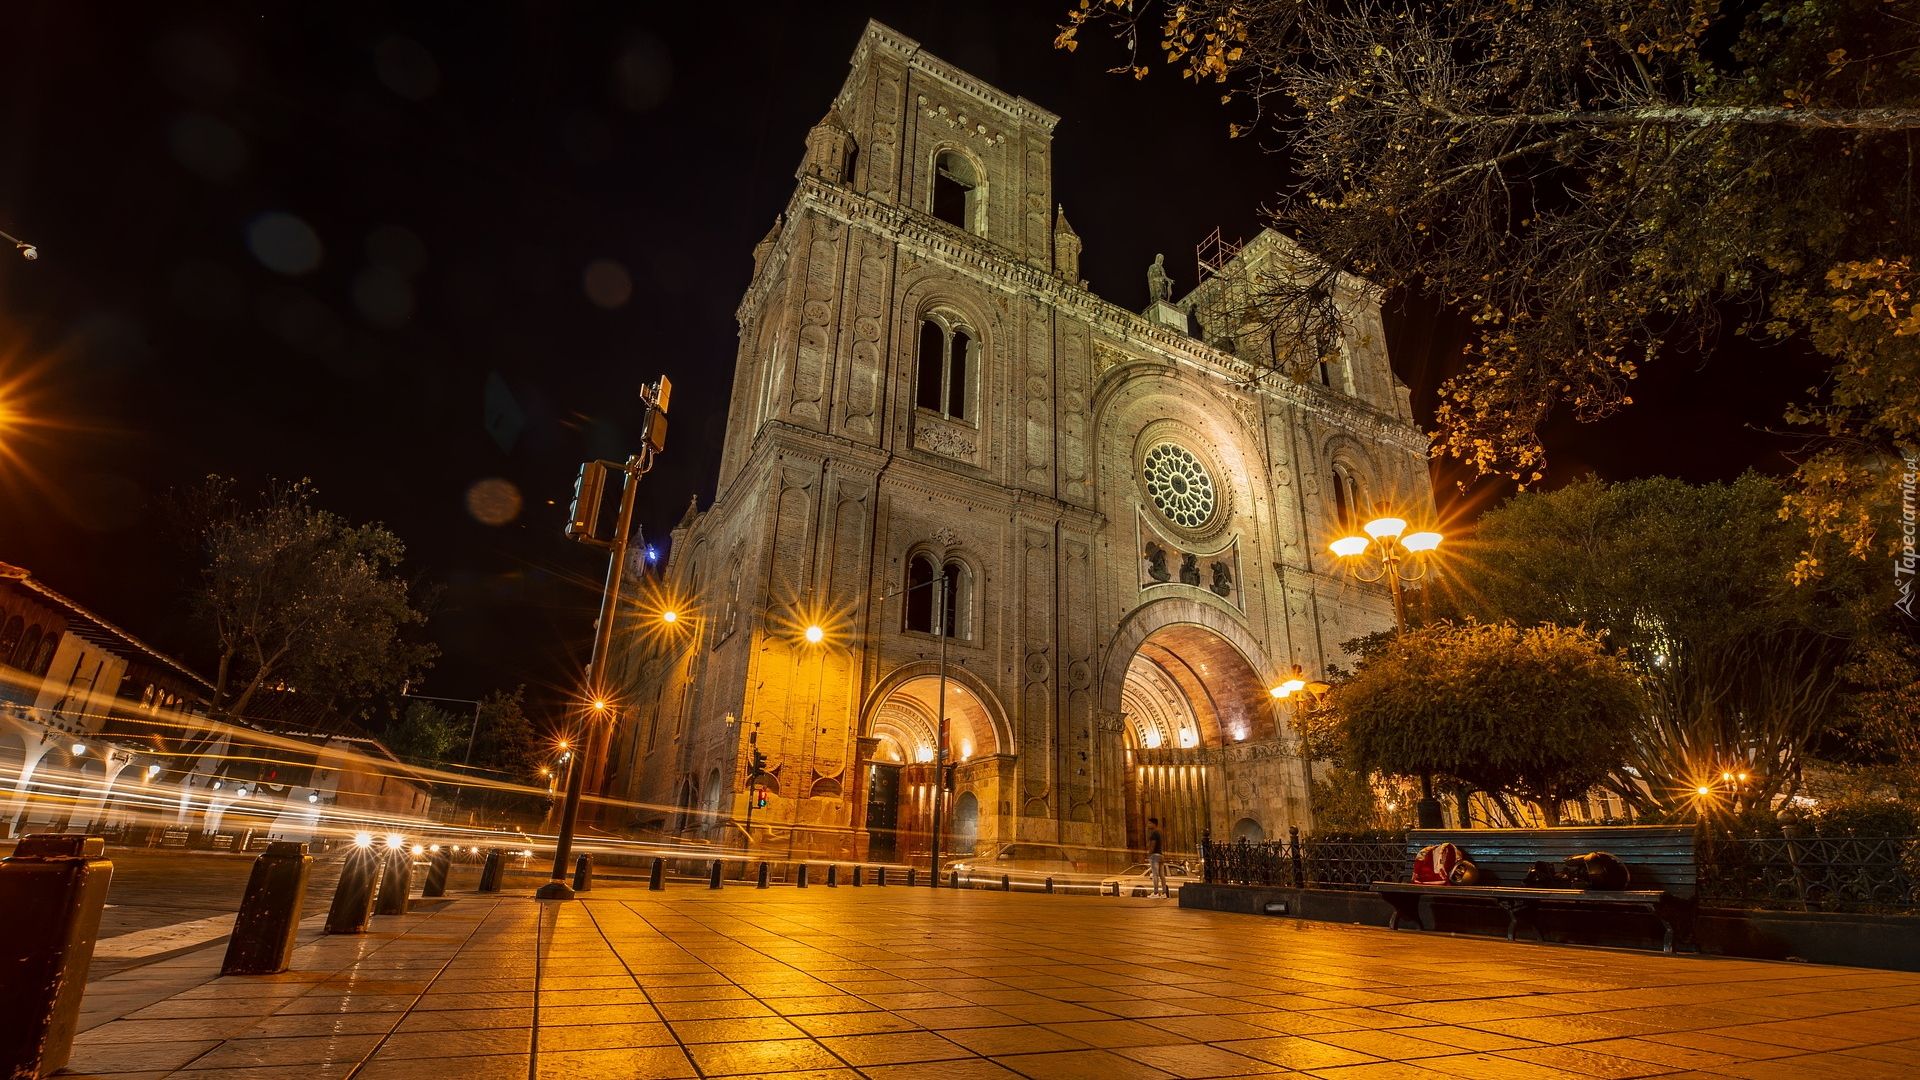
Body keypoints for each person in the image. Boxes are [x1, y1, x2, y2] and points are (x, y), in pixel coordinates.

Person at [1146, 817, 1168, 898]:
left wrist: (1149, 853)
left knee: (1155, 875)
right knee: (1162, 875)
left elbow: (1152, 845)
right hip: (1161, 855)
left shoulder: (1154, 834)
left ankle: (1155, 893)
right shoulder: (1160, 833)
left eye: (1149, 823)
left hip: (1154, 855)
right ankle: (1164, 893)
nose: (1148, 825)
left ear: (1154, 824)